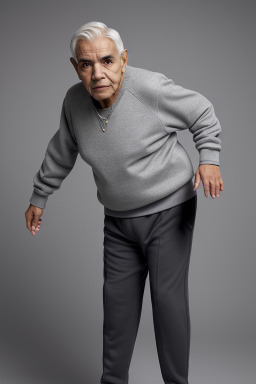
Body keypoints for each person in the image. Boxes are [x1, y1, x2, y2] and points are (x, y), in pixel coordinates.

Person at [25, 21, 224, 384]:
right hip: (117, 221)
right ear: (76, 67)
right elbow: (61, 151)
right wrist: (41, 194)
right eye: (86, 64)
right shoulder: (74, 101)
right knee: (116, 310)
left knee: (167, 305)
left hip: (169, 210)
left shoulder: (148, 88)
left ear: (123, 60)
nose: (98, 73)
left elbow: (202, 112)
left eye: (107, 60)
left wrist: (209, 156)